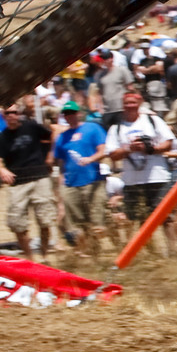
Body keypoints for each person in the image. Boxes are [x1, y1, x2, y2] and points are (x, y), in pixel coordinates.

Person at [107, 90, 177, 257]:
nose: (130, 106)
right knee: (140, 218)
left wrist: (150, 149)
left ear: (139, 103)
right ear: (123, 105)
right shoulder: (116, 128)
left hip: (158, 176)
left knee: (165, 216)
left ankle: (173, 252)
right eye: (127, 103)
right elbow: (112, 154)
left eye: (133, 102)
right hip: (132, 180)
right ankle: (151, 254)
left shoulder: (152, 121)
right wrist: (129, 149)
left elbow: (168, 143)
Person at [0, 97, 58, 258]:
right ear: (3, 116)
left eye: (14, 112)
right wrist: (2, 171)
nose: (11, 115)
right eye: (8, 113)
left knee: (45, 220)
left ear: (19, 113)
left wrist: (50, 155)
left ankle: (44, 255)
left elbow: (54, 132)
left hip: (39, 177)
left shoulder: (31, 126)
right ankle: (30, 258)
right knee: (17, 223)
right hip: (18, 183)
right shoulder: (2, 138)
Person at [52, 101, 108, 255]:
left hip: (93, 181)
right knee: (78, 223)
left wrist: (90, 159)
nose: (69, 116)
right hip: (71, 184)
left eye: (72, 112)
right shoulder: (62, 137)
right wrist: (60, 187)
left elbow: (103, 150)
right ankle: (90, 252)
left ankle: (103, 249)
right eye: (66, 114)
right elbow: (61, 164)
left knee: (97, 221)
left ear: (79, 113)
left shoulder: (92, 128)